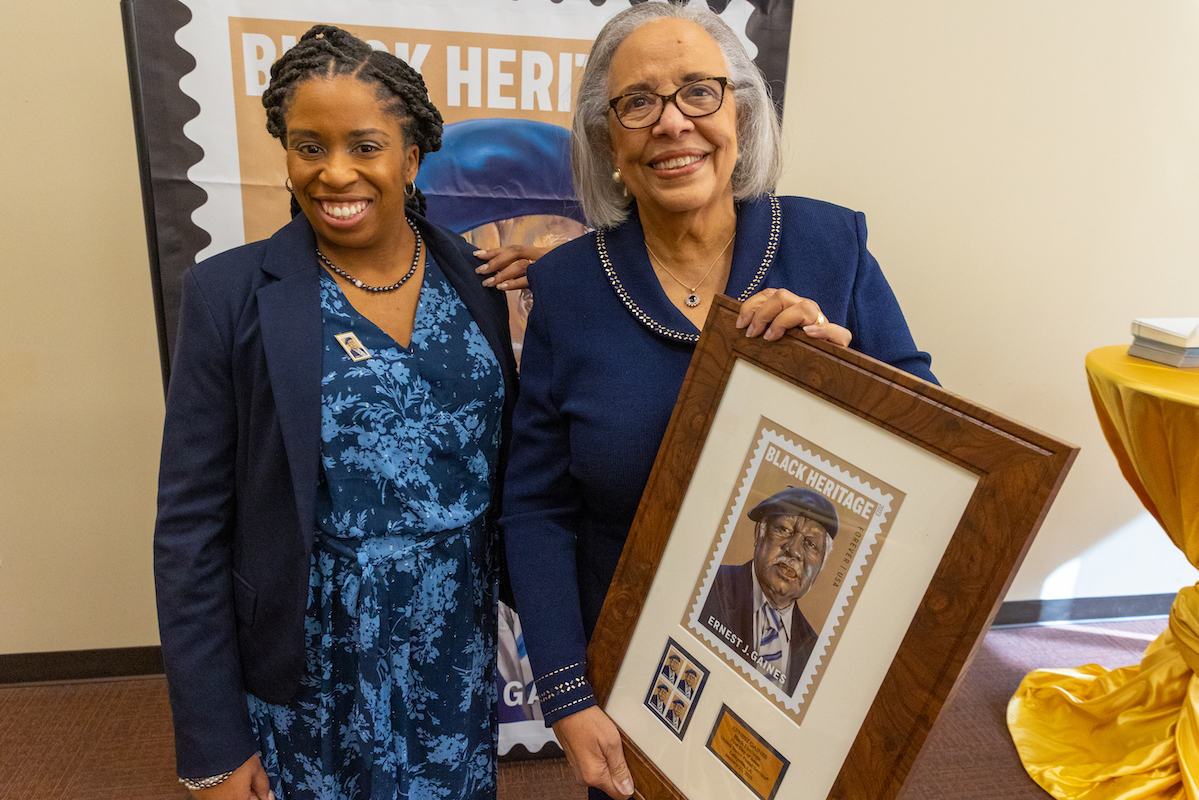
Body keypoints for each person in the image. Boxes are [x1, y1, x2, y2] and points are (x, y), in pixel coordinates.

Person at [500, 4, 937, 800]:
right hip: (639, 677)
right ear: (607, 140)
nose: (672, 124)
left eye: (698, 93)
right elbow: (536, 507)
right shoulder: (564, 287)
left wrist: (846, 379)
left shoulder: (829, 246)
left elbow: (933, 443)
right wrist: (565, 692)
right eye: (637, 103)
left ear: (739, 112)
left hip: (806, 683)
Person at [153, 25, 538, 800]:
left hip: (452, 655)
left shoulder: (482, 281)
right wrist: (214, 747)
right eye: (307, 146)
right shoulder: (229, 295)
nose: (334, 173)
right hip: (308, 663)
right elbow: (190, 527)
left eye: (364, 146)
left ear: (410, 155)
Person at [701, 487, 838, 694]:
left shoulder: (813, 654)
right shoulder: (708, 586)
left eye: (810, 544)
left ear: (820, 567)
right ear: (759, 534)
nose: (794, 550)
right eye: (784, 530)